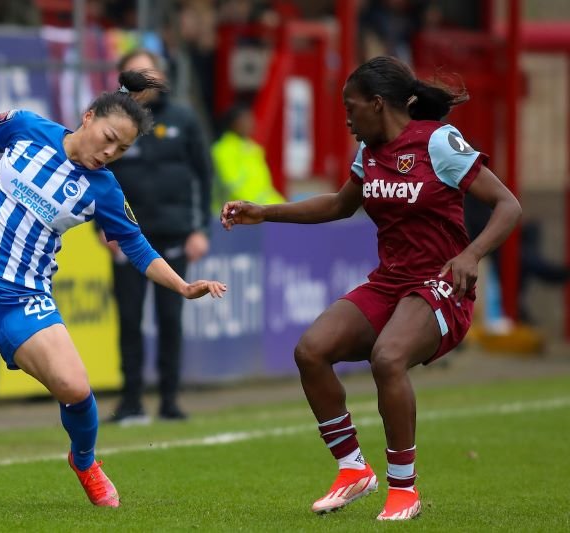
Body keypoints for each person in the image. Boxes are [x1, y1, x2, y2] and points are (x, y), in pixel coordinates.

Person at [0, 70, 227, 508]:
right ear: (88, 118)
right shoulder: (29, 128)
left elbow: (137, 245)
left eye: (122, 149)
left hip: (26, 295)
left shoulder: (104, 190)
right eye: (108, 137)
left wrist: (183, 286)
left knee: (75, 388)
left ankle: (86, 462)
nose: (109, 152)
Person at [221, 56, 521, 521]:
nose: (346, 118)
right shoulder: (369, 151)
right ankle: (352, 469)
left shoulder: (438, 142)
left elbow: (508, 205)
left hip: (441, 284)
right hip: (391, 283)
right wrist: (265, 211)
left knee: (388, 357)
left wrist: (470, 254)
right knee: (311, 350)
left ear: (377, 104)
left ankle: (405, 490)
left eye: (351, 106)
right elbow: (341, 204)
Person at [104, 49, 213, 424]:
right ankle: (131, 401)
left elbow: (204, 175)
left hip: (174, 237)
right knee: (128, 321)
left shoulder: (183, 118)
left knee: (171, 319)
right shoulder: (111, 123)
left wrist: (200, 229)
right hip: (126, 240)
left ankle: (169, 400)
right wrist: (103, 229)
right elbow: (90, 170)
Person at [210, 102, 284, 214]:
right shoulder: (222, 150)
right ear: (233, 123)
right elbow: (233, 188)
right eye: (245, 119)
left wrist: (283, 207)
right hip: (232, 217)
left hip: (257, 214)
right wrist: (265, 209)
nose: (251, 123)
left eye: (251, 119)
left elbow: (265, 189)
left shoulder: (254, 149)